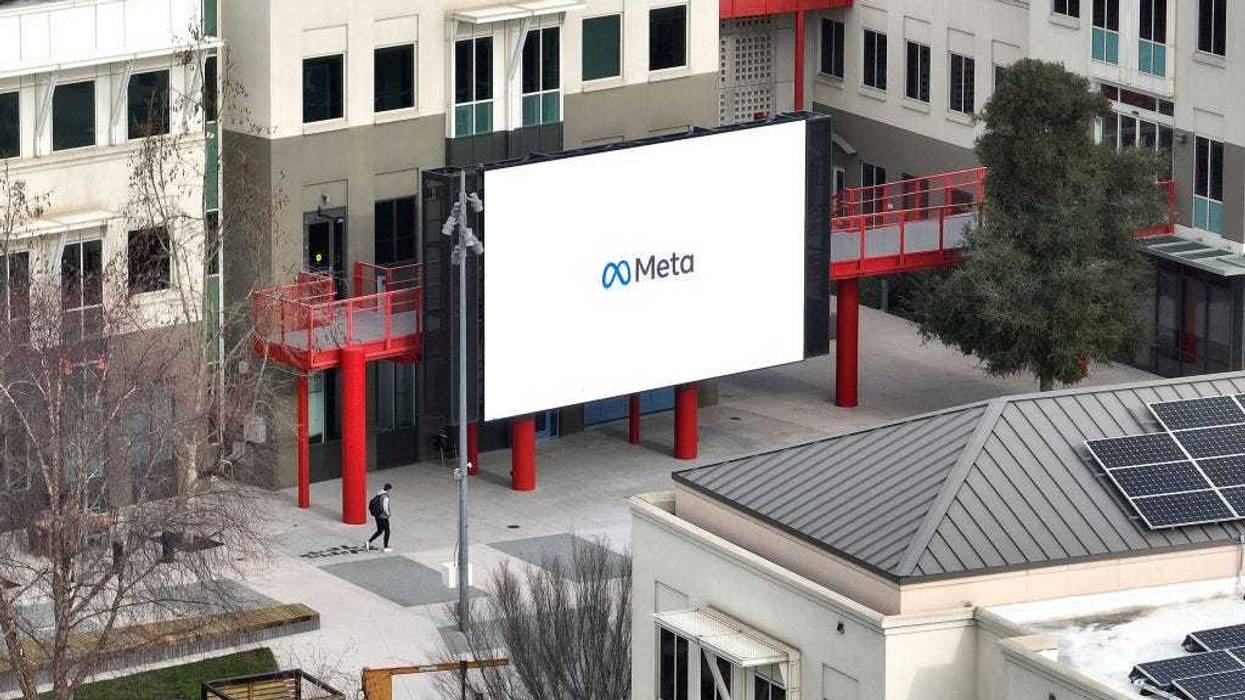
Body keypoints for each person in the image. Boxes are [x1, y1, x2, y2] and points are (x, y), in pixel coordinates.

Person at [365, 483, 393, 552]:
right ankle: (385, 547)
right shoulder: (385, 497)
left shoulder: (379, 493)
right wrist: (388, 514)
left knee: (380, 530)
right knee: (387, 531)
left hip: (377, 515)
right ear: (389, 489)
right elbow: (385, 507)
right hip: (383, 516)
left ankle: (368, 542)